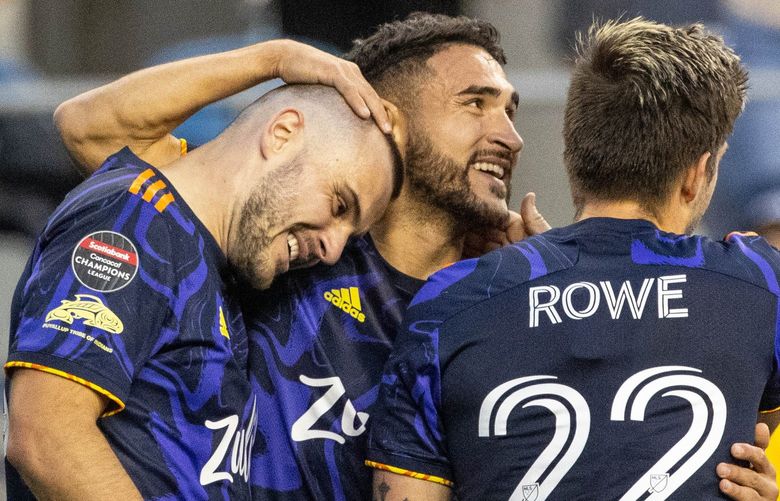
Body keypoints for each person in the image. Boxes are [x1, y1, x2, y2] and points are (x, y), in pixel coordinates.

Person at [53, 13, 774, 501]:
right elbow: (92, 135)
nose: (511, 136)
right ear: (384, 114)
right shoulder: (290, 243)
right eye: (476, 103)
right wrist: (273, 60)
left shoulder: (500, 302)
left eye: (514, 111)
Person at [366, 17, 780, 500]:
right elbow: (757, 435)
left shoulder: (447, 304)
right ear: (699, 172)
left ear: (573, 154)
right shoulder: (758, 284)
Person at [5, 84, 401, 500]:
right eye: (339, 205)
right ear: (282, 134)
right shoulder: (135, 220)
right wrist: (276, 58)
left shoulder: (211, 259)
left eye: (349, 234)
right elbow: (46, 437)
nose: (333, 248)